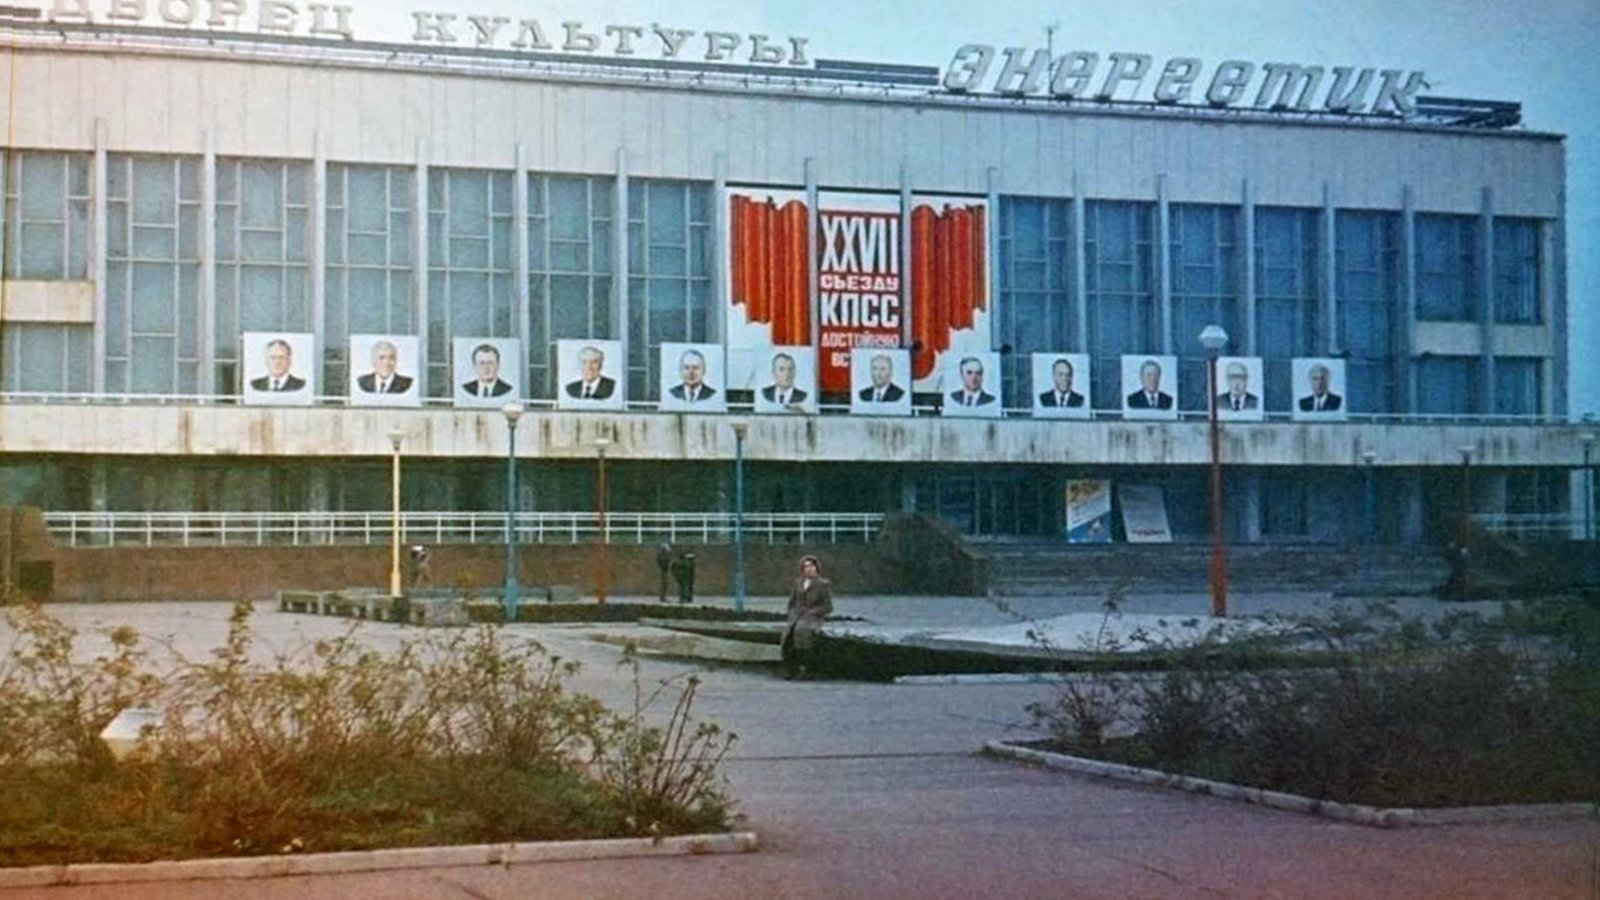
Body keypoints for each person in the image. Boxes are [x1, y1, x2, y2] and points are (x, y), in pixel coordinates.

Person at [781, 555, 833, 680]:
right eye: (806, 566)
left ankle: (804, 669)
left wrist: (813, 612)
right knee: (788, 635)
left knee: (802, 632)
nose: (809, 569)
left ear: (816, 567)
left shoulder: (823, 584)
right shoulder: (798, 583)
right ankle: (791, 669)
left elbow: (828, 607)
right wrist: (792, 613)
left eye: (811, 566)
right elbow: (792, 602)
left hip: (813, 617)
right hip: (797, 616)